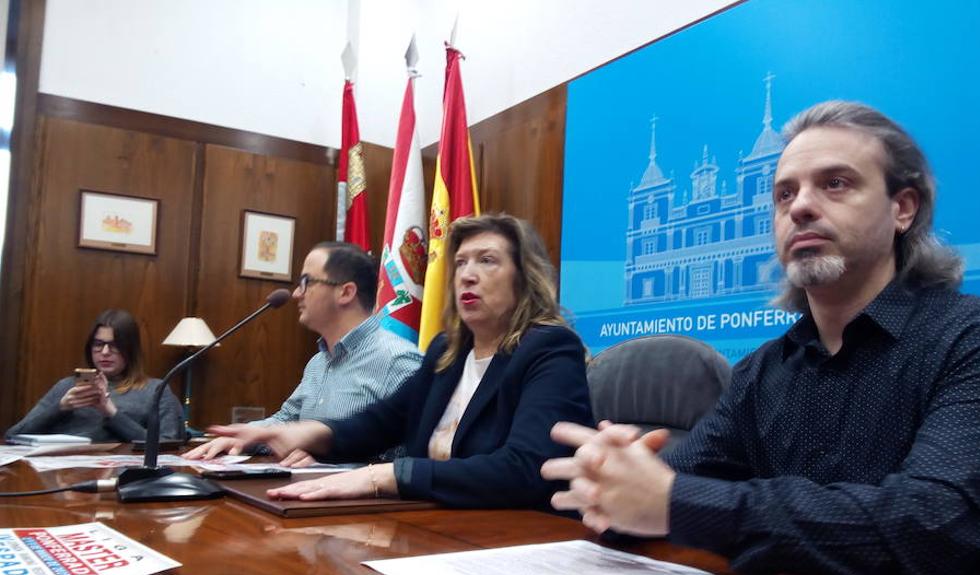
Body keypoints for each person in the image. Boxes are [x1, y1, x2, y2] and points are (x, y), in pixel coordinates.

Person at [542, 101, 980, 575]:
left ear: (902, 208)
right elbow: (668, 490)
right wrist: (615, 479)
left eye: (836, 183)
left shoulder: (968, 337)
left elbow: (934, 527)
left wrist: (675, 502)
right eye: (784, 194)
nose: (800, 207)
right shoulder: (764, 369)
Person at [208, 214, 593, 509]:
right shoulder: (448, 352)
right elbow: (384, 420)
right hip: (438, 521)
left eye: (487, 261)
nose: (468, 276)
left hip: (518, 536)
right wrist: (304, 432)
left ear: (525, 278)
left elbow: (525, 468)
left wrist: (387, 476)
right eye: (460, 263)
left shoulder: (550, 349)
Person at [183, 242, 422, 466]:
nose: (297, 293)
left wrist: (330, 458)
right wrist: (247, 437)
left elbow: (413, 452)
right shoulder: (319, 362)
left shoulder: (398, 361)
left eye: (306, 282)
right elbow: (288, 419)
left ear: (346, 292)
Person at [6, 309, 183, 442]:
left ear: (130, 349)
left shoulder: (155, 390)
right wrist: (60, 408)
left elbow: (168, 445)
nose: (105, 352)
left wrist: (110, 412)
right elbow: (13, 436)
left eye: (115, 345)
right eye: (98, 344)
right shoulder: (67, 386)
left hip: (121, 477)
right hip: (64, 474)